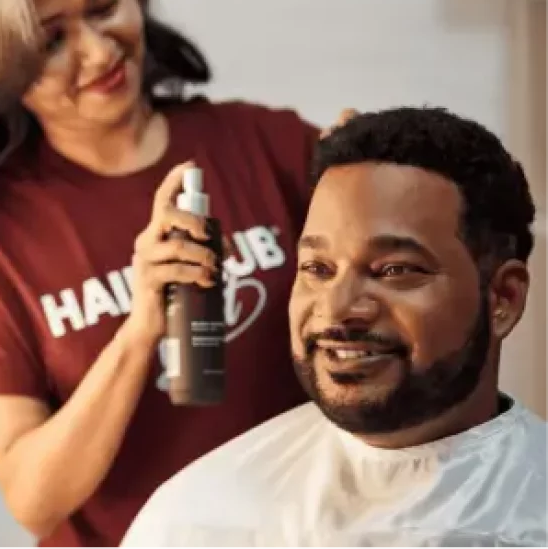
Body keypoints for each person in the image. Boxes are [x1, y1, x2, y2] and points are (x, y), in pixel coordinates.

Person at [0, 0, 330, 548]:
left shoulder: (270, 146)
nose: (100, 50)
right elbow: (34, 498)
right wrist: (141, 328)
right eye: (50, 41)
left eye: (105, 5)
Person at [120, 107, 548, 549]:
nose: (338, 308)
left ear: (504, 298)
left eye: (395, 269)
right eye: (317, 268)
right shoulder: (201, 518)